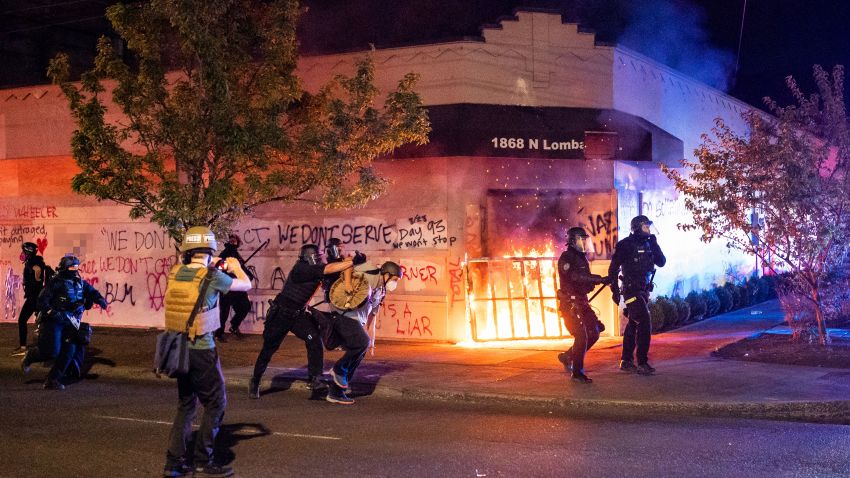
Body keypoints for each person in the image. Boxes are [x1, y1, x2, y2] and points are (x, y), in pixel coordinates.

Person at [162, 226, 251, 478]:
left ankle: (173, 463)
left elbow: (193, 275)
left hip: (178, 348)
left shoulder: (176, 272)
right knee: (216, 403)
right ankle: (203, 459)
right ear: (211, 250)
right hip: (202, 349)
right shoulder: (212, 277)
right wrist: (235, 266)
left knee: (186, 404)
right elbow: (245, 285)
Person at [248, 244, 363, 399]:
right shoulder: (301, 269)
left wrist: (352, 261)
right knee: (269, 348)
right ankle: (255, 380)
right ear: (310, 258)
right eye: (318, 257)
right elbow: (329, 269)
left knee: (314, 339)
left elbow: (338, 269)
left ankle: (315, 380)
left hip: (298, 315)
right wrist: (351, 261)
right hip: (281, 314)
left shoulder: (316, 269)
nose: (321, 259)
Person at [20, 254, 106, 390]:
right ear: (65, 268)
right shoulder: (56, 282)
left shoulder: (79, 282)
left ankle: (52, 380)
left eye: (76, 267)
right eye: (72, 267)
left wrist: (100, 299)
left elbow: (91, 291)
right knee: (52, 351)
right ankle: (31, 356)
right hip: (53, 321)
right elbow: (42, 301)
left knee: (69, 351)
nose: (75, 270)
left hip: (70, 321)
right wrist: (52, 312)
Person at [326, 260, 400, 404]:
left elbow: (372, 316)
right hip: (343, 314)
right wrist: (347, 285)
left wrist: (371, 341)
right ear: (387, 274)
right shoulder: (370, 273)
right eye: (395, 279)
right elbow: (347, 265)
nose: (395, 283)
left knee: (361, 349)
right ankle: (339, 369)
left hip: (357, 320)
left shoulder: (381, 290)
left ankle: (338, 390)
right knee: (361, 343)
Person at [608, 215, 666, 376]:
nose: (649, 230)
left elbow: (661, 262)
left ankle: (626, 360)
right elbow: (613, 269)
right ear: (637, 228)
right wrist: (614, 290)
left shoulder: (650, 243)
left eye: (649, 227)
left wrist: (654, 244)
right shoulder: (625, 245)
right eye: (646, 227)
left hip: (644, 289)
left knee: (633, 323)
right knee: (644, 320)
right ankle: (642, 362)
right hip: (631, 290)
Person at [556, 227, 608, 383]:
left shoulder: (582, 258)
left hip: (582, 302)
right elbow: (575, 276)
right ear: (572, 241)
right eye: (581, 240)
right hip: (571, 304)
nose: (584, 243)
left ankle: (567, 356)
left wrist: (603, 280)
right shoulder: (566, 258)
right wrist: (598, 279)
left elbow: (585, 280)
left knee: (595, 333)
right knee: (581, 335)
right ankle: (577, 373)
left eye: (586, 240)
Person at [215, 234, 255, 341]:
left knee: (245, 306)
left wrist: (248, 275)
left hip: (237, 286)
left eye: (235, 241)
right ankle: (219, 334)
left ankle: (234, 326)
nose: (233, 242)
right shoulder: (225, 254)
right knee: (224, 312)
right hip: (227, 286)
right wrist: (229, 268)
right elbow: (220, 267)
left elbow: (241, 268)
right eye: (231, 241)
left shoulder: (236, 254)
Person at [12, 242, 48, 356]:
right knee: (41, 322)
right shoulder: (35, 261)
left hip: (34, 297)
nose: (22, 253)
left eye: (24, 251)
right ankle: (45, 346)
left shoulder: (34, 262)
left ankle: (23, 348)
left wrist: (37, 278)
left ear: (28, 252)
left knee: (22, 320)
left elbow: (37, 270)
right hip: (37, 296)